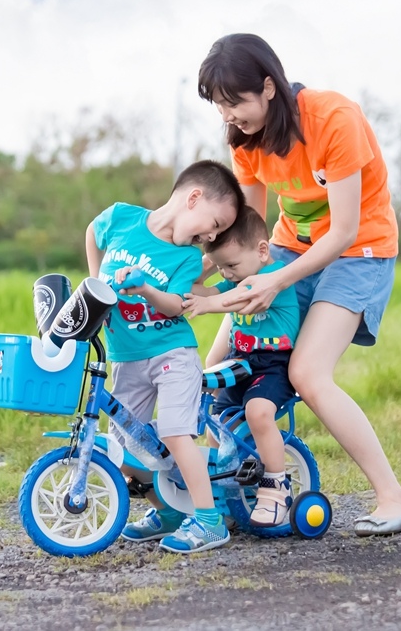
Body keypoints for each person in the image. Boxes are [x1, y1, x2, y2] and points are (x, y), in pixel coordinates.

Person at [195, 33, 401, 536]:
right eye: (220, 108)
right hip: (288, 249)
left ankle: (395, 499)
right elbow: (246, 230)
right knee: (215, 367)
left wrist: (273, 280)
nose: (229, 118)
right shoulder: (244, 139)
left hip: (359, 250)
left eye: (235, 104)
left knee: (307, 373)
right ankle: (209, 489)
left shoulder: (333, 119)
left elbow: (341, 230)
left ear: (269, 87)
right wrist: (198, 279)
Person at [86, 159, 245, 553]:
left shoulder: (186, 258)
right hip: (126, 355)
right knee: (127, 442)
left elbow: (175, 304)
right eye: (215, 223)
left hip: (172, 353)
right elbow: (92, 232)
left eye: (219, 232)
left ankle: (209, 521)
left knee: (175, 433)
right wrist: (96, 287)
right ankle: (169, 511)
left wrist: (145, 290)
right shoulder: (122, 218)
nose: (211, 235)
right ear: (193, 198)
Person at [182, 205, 300, 527]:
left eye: (231, 264)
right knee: (215, 421)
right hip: (240, 364)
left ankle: (276, 486)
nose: (226, 274)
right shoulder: (234, 276)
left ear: (262, 251)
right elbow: (200, 290)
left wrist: (208, 305)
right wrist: (196, 271)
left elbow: (231, 299)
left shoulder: (269, 279)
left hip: (272, 366)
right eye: (221, 267)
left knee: (258, 413)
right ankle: (223, 493)